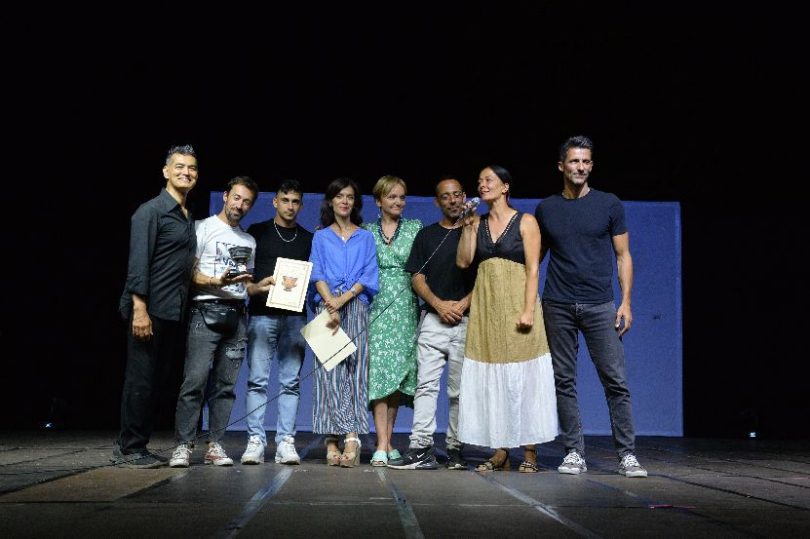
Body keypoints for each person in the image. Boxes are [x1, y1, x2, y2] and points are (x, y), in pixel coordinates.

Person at [535, 135, 647, 478]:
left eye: (585, 161)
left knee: (615, 380)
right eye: (574, 161)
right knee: (563, 380)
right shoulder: (547, 208)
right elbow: (535, 260)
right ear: (561, 166)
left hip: (600, 304)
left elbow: (623, 255)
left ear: (592, 165)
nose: (580, 167)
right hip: (558, 303)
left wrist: (626, 302)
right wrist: (529, 301)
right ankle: (574, 452)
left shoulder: (609, 204)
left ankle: (627, 455)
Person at [456, 165, 558, 473]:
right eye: (479, 181)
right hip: (487, 310)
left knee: (525, 378)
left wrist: (528, 310)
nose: (482, 185)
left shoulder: (525, 221)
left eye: (488, 180)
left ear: (505, 187)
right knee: (493, 379)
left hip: (518, 304)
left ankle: (529, 450)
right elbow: (464, 262)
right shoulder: (478, 222)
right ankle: (501, 449)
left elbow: (534, 269)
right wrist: (467, 226)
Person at [112, 144, 198, 468]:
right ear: (166, 172)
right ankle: (129, 448)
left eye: (192, 168)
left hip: (172, 310)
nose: (186, 172)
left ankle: (139, 444)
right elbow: (138, 264)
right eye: (179, 167)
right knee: (140, 381)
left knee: (156, 382)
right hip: (149, 309)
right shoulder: (150, 211)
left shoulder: (186, 216)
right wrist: (139, 309)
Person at [169, 176, 259, 468]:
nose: (240, 205)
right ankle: (183, 445)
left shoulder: (248, 241)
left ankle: (215, 445)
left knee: (225, 386)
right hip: (204, 311)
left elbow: (245, 284)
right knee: (194, 382)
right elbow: (188, 272)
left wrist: (262, 286)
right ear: (225, 196)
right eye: (237, 198)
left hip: (237, 316)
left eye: (246, 202)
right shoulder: (202, 228)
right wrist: (214, 281)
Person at [387, 177, 475, 471]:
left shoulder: (475, 232)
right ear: (437, 202)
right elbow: (417, 277)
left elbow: (486, 276)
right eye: (446, 196)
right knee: (425, 387)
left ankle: (456, 449)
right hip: (433, 321)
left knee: (459, 391)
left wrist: (462, 305)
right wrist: (439, 305)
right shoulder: (426, 235)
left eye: (457, 195)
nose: (453, 200)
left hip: (466, 320)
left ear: (464, 197)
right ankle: (421, 447)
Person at [240, 180, 313, 465]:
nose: (290, 206)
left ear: (301, 205)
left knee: (291, 382)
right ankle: (255, 441)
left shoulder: (308, 239)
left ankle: (285, 441)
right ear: (275, 202)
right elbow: (243, 275)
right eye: (285, 200)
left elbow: (314, 279)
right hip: (261, 314)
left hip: (295, 317)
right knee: (257, 381)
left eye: (295, 202)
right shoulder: (257, 231)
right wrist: (254, 287)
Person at [308, 177, 379, 467]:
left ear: (355, 202)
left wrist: (343, 300)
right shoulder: (321, 236)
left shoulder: (365, 237)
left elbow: (369, 274)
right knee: (329, 375)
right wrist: (330, 303)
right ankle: (331, 440)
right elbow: (317, 273)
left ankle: (352, 436)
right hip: (326, 307)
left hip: (356, 305)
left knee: (355, 372)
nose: (345, 201)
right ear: (331, 201)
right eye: (339, 196)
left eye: (350, 196)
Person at [362, 175, 422, 467]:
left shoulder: (414, 228)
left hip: (405, 307)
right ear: (378, 201)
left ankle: (386, 441)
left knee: (397, 376)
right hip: (375, 306)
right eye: (392, 197)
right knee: (378, 374)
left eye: (402, 197)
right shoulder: (365, 231)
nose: (398, 202)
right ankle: (382, 443)